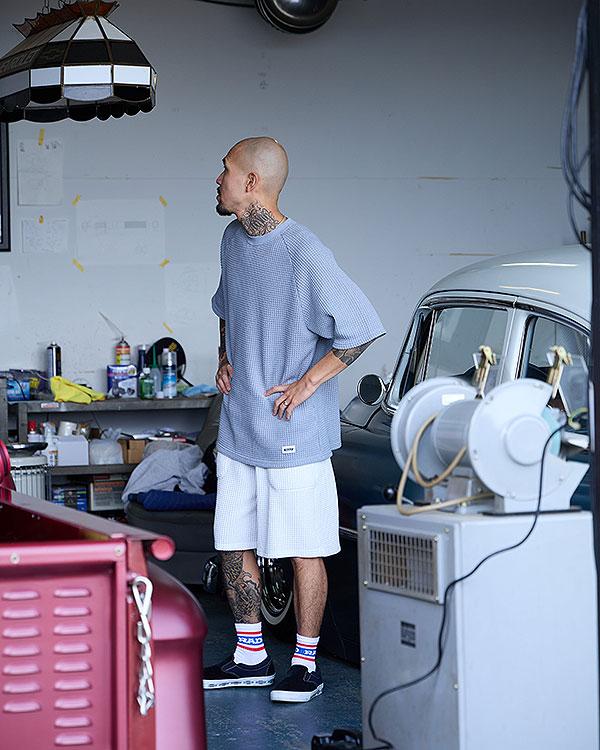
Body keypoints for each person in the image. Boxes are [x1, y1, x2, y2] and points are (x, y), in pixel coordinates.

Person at [203, 136, 385, 703]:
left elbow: (360, 327)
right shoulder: (232, 241)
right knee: (234, 541)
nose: (217, 179)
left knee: (305, 547)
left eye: (225, 170)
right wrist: (225, 354)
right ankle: (250, 654)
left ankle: (306, 665)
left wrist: (307, 384)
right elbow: (227, 306)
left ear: (252, 181)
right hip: (239, 429)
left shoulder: (304, 251)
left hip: (293, 436)